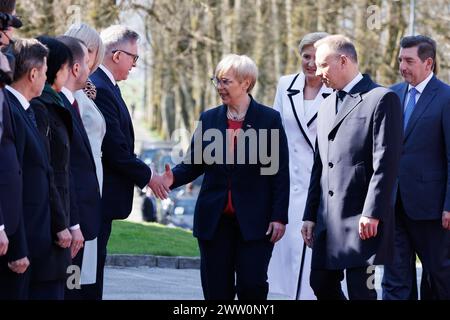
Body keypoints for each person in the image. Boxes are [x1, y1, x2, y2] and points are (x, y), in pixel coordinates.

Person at [152, 54, 290, 300]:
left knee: (252, 285)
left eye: (226, 82)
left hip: (255, 223)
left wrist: (279, 216)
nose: (219, 87)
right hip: (215, 222)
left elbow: (278, 173)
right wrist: (171, 178)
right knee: (216, 290)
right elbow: (194, 164)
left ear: (245, 83)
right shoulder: (210, 118)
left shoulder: (269, 120)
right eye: (216, 81)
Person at [301, 35, 402, 300]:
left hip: (362, 221)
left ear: (343, 60)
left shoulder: (381, 99)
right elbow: (319, 166)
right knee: (319, 284)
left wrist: (372, 212)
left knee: (362, 294)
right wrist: (310, 215)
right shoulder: (325, 106)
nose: (317, 70)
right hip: (327, 221)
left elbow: (386, 164)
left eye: (323, 64)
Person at [381, 35, 450, 300]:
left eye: (409, 60)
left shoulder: (445, 98)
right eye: (400, 60)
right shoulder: (392, 95)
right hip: (394, 206)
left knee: (440, 277)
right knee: (395, 279)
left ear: (428, 63)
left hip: (432, 211)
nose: (402, 66)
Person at [91, 25, 156, 299]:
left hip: (104, 199)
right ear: (116, 55)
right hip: (97, 198)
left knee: (95, 268)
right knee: (88, 275)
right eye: (133, 57)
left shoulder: (110, 87)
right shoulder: (100, 88)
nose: (134, 65)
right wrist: (149, 177)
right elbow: (116, 149)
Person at [268, 31, 331, 300]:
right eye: (306, 56)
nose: (310, 63)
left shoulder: (336, 89)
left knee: (311, 260)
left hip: (319, 186)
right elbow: (274, 133)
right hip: (287, 184)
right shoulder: (285, 85)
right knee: (283, 258)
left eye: (316, 57)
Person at [5, 38, 52, 299]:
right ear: (33, 74)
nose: (45, 78)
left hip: (32, 243)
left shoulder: (25, 110)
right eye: (44, 72)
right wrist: (18, 247)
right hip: (17, 247)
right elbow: (13, 184)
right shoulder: (11, 111)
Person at [29, 36, 74, 300]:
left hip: (66, 221)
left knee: (68, 286)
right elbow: (48, 170)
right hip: (51, 225)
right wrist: (62, 223)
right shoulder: (42, 108)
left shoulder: (56, 105)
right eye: (66, 68)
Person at [57, 35, 102, 300]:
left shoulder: (73, 101)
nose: (90, 68)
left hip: (80, 221)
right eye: (86, 62)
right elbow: (65, 170)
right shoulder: (61, 106)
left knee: (74, 289)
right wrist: (72, 222)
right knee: (68, 289)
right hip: (70, 223)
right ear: (75, 68)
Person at [65, 23, 106, 197]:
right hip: (79, 182)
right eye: (79, 45)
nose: (83, 53)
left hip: (91, 179)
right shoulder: (69, 92)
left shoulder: (87, 91)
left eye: (89, 50)